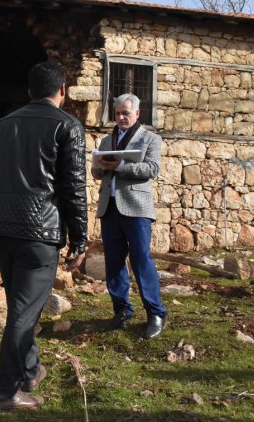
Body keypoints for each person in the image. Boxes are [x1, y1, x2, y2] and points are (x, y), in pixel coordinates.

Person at [0, 61, 87, 411]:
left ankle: (29, 370)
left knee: (22, 307)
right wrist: (80, 238)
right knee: (24, 314)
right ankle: (6, 393)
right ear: (62, 91)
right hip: (39, 234)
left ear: (29, 92)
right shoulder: (68, 126)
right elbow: (73, 188)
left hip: (1, 231)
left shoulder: (0, 126)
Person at [91, 93, 167, 340]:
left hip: (136, 208)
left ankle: (156, 313)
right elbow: (95, 171)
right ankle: (122, 309)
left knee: (141, 260)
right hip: (109, 208)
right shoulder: (105, 140)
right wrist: (101, 166)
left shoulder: (150, 139)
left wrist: (121, 166)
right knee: (113, 262)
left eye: (126, 113)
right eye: (118, 114)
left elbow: (152, 169)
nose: (121, 117)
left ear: (137, 114)